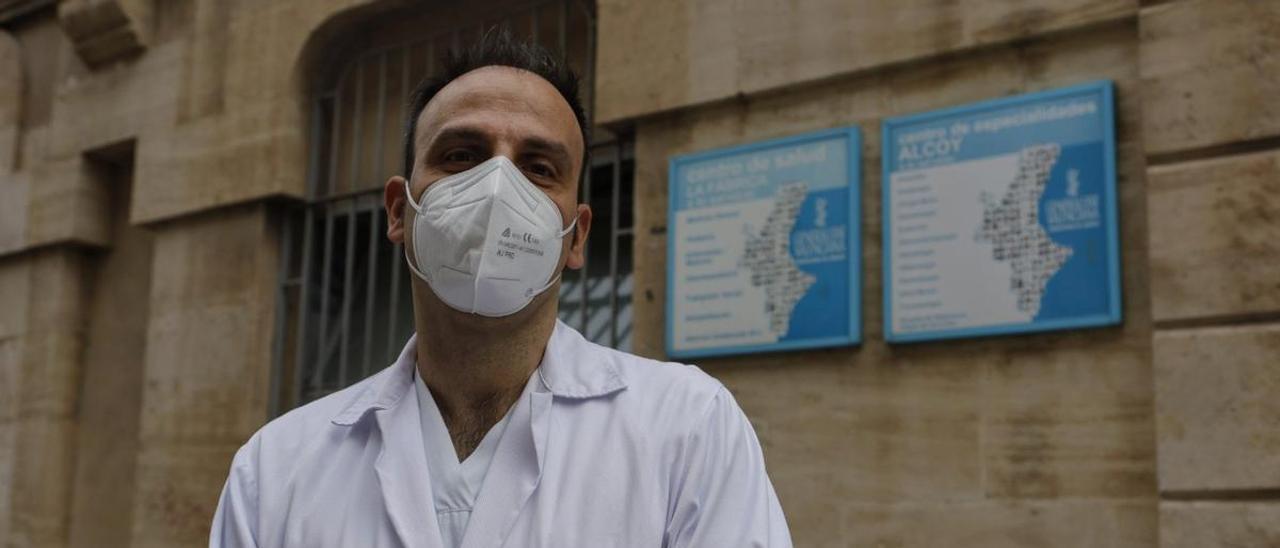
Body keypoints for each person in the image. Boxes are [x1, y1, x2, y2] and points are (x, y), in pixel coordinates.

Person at [210, 29, 792, 548]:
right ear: (398, 212)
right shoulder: (276, 469)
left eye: (539, 168)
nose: (497, 188)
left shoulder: (686, 428)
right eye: (461, 155)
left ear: (575, 235)